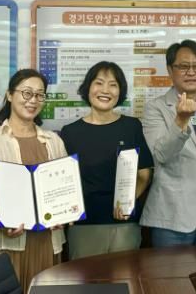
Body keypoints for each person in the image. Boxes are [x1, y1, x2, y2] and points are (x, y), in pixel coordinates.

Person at [0, 69, 67, 293]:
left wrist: (64, 214)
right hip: (3, 244)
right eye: (26, 93)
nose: (33, 100)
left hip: (46, 242)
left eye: (39, 94)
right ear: (9, 95)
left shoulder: (54, 141)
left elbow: (64, 190)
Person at [140, 39, 196, 246]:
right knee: (170, 269)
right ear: (170, 70)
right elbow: (161, 155)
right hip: (171, 216)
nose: (191, 72)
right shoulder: (155, 108)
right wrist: (180, 120)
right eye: (183, 66)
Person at [60, 61, 153, 259]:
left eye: (113, 85)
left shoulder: (131, 127)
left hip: (124, 223)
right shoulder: (70, 132)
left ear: (120, 91)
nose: (105, 90)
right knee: (85, 278)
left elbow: (144, 173)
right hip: (83, 225)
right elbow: (63, 182)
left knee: (125, 276)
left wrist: (127, 202)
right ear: (88, 88)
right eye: (99, 83)